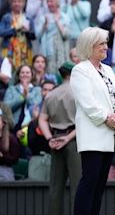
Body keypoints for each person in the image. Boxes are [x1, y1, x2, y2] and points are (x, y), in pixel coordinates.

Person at [70, 27, 115, 215]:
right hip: (93, 136)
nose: (106, 47)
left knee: (99, 186)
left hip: (110, 137)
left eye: (106, 42)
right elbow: (90, 106)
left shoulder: (108, 69)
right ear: (90, 45)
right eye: (102, 43)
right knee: (89, 182)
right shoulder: (80, 70)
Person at [38, 62, 81, 215]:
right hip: (74, 141)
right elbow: (84, 122)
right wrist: (68, 138)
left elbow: (42, 119)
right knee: (77, 186)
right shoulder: (79, 92)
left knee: (56, 187)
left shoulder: (51, 94)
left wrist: (50, 138)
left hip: (55, 140)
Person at [0, 0, 35, 69]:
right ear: (11, 3)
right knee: (7, 70)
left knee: (24, 70)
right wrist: (15, 29)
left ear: (23, 3)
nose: (17, 4)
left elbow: (33, 36)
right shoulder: (6, 17)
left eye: (19, 1)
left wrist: (28, 31)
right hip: (9, 49)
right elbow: (1, 32)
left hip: (24, 50)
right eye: (14, 1)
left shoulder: (28, 17)